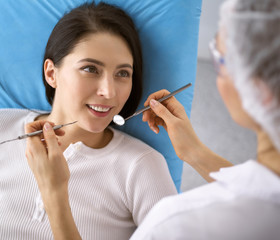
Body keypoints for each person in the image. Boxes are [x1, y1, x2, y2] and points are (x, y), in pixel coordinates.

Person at [0, 2, 178, 239]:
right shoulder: (3, 126)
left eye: (122, 73)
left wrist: (55, 197)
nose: (109, 92)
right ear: (52, 73)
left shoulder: (141, 167)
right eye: (91, 69)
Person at [130, 0, 280, 239]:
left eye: (219, 59)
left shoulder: (174, 226)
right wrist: (194, 151)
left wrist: (56, 199)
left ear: (259, 91)